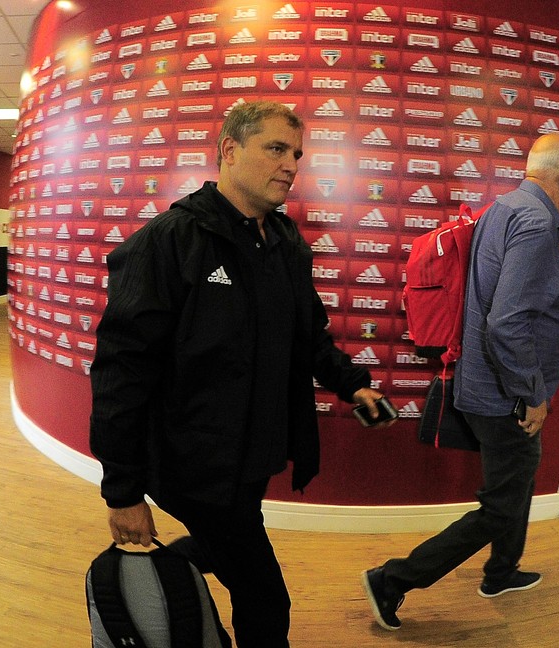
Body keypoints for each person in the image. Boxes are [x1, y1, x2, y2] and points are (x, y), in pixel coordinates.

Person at [89, 101, 391, 647]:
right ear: (229, 150)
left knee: (223, 544)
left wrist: (353, 383)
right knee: (265, 597)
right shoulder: (168, 241)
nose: (290, 165)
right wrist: (122, 492)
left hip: (252, 456)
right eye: (276, 148)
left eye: (296, 154)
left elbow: (309, 335)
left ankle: (176, 570)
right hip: (194, 466)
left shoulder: (284, 241)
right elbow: (120, 373)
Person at [361, 133, 559, 631]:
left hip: (486, 385)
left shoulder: (503, 208)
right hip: (507, 395)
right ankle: (392, 581)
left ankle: (502, 571)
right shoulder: (535, 223)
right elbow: (507, 321)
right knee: (501, 503)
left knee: (517, 480)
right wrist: (531, 394)